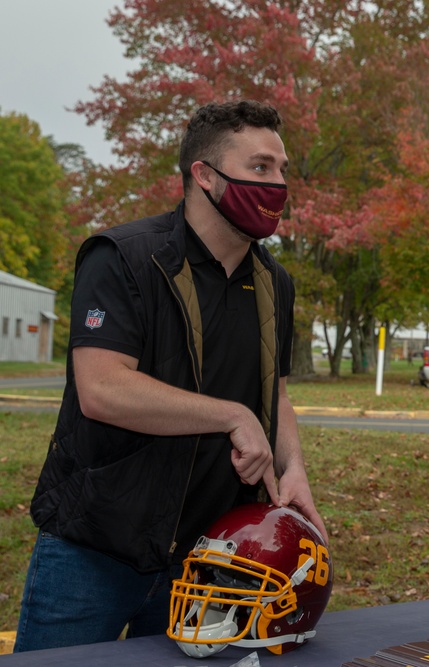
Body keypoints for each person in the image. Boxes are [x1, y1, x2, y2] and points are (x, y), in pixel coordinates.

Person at [15, 100, 326, 652]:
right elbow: (102, 388)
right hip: (94, 550)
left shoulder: (276, 285)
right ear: (204, 176)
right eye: (260, 168)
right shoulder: (122, 258)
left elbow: (274, 395)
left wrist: (293, 467)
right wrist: (232, 415)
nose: (279, 184)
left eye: (282, 170)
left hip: (211, 562)